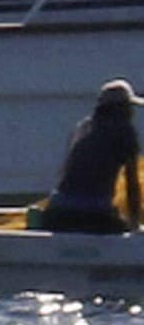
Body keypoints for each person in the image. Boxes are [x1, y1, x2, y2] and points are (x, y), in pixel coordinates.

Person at [43, 79, 142, 234]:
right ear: (123, 108)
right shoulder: (124, 131)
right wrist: (135, 224)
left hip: (56, 211)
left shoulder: (82, 127)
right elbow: (132, 183)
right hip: (92, 213)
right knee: (120, 227)